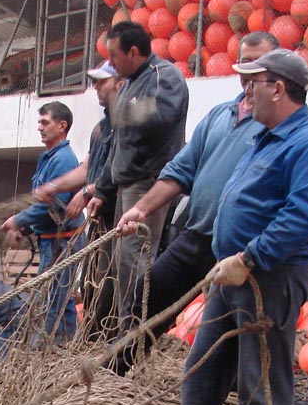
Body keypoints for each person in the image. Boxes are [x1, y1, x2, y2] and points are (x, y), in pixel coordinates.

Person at [179, 49, 308, 405]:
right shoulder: (261, 139)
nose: (246, 91)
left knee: (261, 374)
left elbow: (300, 219)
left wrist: (248, 259)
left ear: (279, 88)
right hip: (231, 274)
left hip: (267, 275)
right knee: (204, 365)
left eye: (254, 82)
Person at [113, 32, 280, 373]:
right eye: (245, 63)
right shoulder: (220, 115)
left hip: (238, 251)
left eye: (259, 64)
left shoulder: (280, 126)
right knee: (148, 297)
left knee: (229, 335)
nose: (251, 72)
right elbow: (180, 170)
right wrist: (141, 208)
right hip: (195, 237)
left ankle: (229, 402)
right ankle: (116, 375)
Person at [88, 21, 189, 328]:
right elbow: (118, 146)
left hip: (148, 184)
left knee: (134, 262)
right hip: (124, 185)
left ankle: (130, 341)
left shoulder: (165, 77)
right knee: (120, 264)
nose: (111, 64)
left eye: (114, 56)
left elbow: (161, 116)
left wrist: (124, 109)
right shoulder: (129, 83)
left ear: (133, 52)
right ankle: (118, 334)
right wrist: (103, 191)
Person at [32, 62, 123, 339]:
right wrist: (54, 187)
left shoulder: (126, 128)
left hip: (108, 225)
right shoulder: (100, 131)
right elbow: (86, 170)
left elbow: (121, 168)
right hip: (89, 227)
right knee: (77, 293)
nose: (95, 87)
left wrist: (88, 192)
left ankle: (47, 352)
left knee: (56, 298)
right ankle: (71, 345)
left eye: (101, 82)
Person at [0, 101, 81, 345]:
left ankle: (41, 351)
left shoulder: (64, 160)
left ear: (62, 125)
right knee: (61, 296)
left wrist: (19, 220)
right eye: (39, 123)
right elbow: (41, 204)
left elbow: (54, 206)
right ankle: (66, 346)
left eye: (45, 122)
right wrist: (23, 228)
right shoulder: (47, 159)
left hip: (63, 242)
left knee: (51, 297)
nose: (39, 128)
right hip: (50, 240)